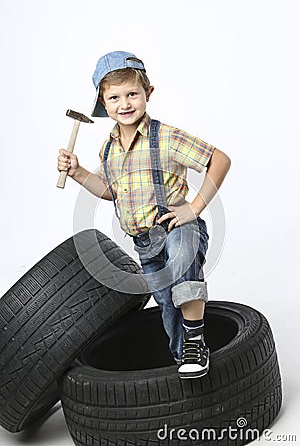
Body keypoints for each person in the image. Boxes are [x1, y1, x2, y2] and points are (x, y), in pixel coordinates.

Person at [57, 51, 231, 379]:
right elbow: (112, 191)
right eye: (114, 97)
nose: (125, 103)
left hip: (177, 227)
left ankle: (195, 341)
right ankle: (188, 359)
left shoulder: (164, 136)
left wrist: (194, 207)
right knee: (167, 305)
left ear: (147, 94)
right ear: (103, 103)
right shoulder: (108, 149)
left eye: (132, 94)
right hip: (144, 244)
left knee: (182, 266)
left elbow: (219, 160)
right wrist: (79, 173)